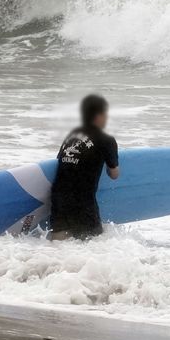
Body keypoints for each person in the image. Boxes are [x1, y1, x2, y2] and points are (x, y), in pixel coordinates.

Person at [50, 95, 119, 240]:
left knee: (57, 245)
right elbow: (114, 174)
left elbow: (61, 161)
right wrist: (108, 163)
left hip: (59, 198)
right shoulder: (106, 140)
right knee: (93, 244)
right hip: (82, 201)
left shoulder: (72, 135)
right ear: (99, 116)